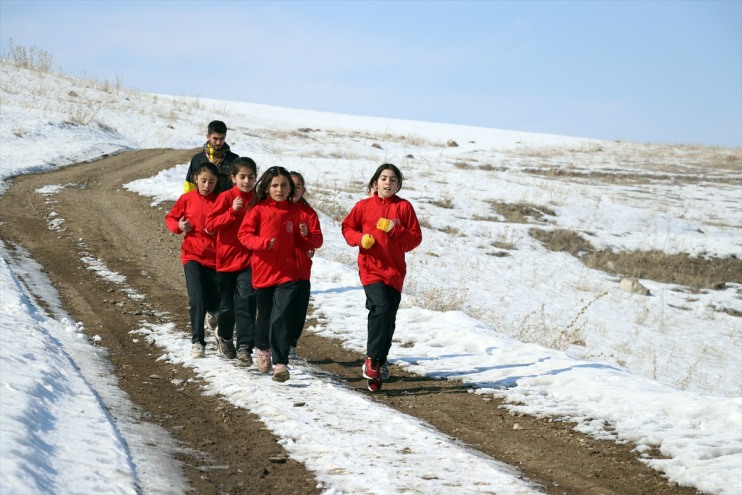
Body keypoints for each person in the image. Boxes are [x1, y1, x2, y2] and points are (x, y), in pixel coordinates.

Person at [341, 163, 422, 392]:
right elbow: (347, 228)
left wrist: (394, 231)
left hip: (395, 272)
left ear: (398, 185)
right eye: (384, 178)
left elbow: (414, 239)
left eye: (393, 179)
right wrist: (360, 238)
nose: (388, 183)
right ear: (375, 182)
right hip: (371, 268)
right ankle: (373, 362)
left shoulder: (404, 208)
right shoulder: (363, 206)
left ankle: (379, 360)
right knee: (382, 308)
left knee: (387, 316)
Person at [237, 166, 317, 382]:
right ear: (266, 188)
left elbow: (312, 242)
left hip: (288, 273)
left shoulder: (295, 211)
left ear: (290, 188)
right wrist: (264, 243)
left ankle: (281, 364)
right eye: (275, 185)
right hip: (263, 272)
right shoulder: (258, 210)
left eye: (284, 185)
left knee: (281, 316)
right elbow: (244, 235)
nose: (279, 189)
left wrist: (306, 236)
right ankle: (262, 350)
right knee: (265, 315)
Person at [205, 157, 258, 364]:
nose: (246, 181)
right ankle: (225, 336)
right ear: (233, 178)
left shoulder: (258, 199)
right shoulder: (226, 197)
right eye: (242, 177)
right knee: (227, 307)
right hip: (226, 260)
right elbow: (210, 225)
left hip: (249, 260)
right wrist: (232, 211)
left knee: (246, 300)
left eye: (251, 177)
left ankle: (245, 347)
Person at [166, 162, 221, 358]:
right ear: (195, 179)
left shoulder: (221, 201)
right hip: (192, 256)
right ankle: (198, 342)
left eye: (212, 182)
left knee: (215, 303)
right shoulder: (187, 199)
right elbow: (171, 219)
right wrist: (179, 225)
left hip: (216, 259)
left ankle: (213, 314)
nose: (207, 186)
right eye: (204, 181)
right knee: (197, 299)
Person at [287, 171, 324, 359]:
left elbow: (318, 241)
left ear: (304, 190)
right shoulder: (276, 209)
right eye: (290, 185)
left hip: (301, 270)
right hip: (278, 270)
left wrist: (308, 235)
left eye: (298, 186)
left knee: (298, 311)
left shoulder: (308, 213)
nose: (294, 190)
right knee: (279, 309)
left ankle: (291, 344)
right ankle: (273, 342)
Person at [183, 120, 239, 194]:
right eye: (215, 138)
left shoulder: (234, 159)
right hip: (202, 203)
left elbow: (238, 185)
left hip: (225, 203)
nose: (218, 142)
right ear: (208, 137)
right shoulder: (197, 159)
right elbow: (189, 185)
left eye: (221, 138)